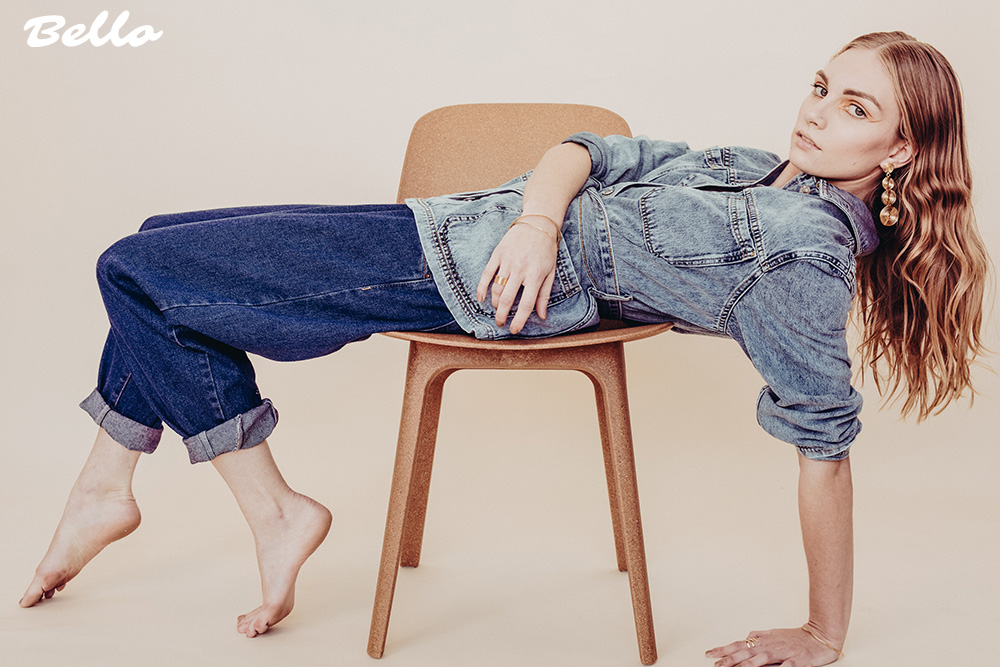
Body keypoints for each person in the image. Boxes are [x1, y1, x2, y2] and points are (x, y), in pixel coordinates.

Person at [20, 30, 988, 667]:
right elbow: (588, 149)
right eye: (823, 86)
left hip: (451, 279)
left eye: (856, 108)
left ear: (902, 152)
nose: (817, 111)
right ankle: (105, 489)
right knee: (155, 243)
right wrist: (535, 219)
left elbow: (824, 443)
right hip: (461, 224)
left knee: (132, 268)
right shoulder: (761, 169)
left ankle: (270, 511)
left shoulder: (803, 253)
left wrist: (822, 631)